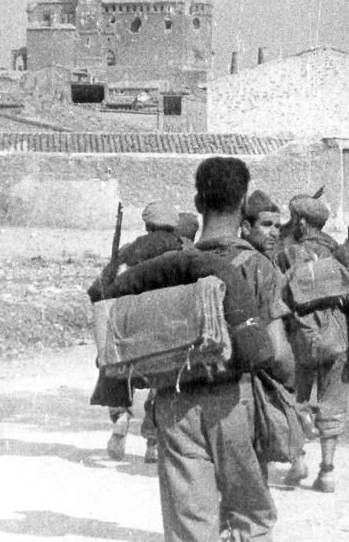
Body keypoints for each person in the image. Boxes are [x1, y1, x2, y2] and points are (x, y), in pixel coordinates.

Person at [92, 157, 295, 541]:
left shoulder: (168, 267)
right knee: (250, 520)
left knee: (189, 528)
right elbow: (279, 351)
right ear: (243, 206)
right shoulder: (258, 266)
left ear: (198, 203)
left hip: (174, 402)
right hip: (236, 401)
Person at [88, 201, 183, 463]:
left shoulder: (128, 252)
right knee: (163, 384)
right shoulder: (183, 251)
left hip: (130, 328)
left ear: (146, 225)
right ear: (174, 226)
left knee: (116, 370)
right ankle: (153, 442)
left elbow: (98, 291)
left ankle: (120, 415)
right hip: (166, 329)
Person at [277, 195, 349, 493]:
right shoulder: (340, 253)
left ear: (300, 221)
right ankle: (327, 472)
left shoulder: (286, 252)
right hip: (337, 339)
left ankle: (297, 460)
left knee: (294, 399)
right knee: (333, 402)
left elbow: (277, 297)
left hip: (300, 339)